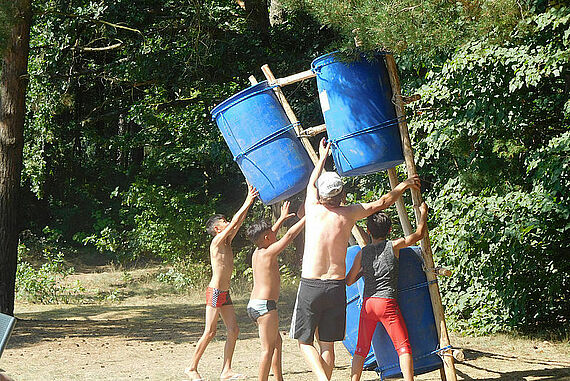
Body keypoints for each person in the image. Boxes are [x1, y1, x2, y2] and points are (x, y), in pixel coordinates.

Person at [289, 138, 421, 381]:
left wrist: (322, 157)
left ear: (321, 194)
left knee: (304, 342)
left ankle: (322, 379)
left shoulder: (313, 207)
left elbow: (311, 183)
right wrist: (404, 184)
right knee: (328, 346)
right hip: (336, 287)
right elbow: (383, 202)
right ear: (342, 194)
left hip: (311, 284)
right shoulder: (349, 213)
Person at [346, 202, 429, 381]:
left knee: (361, 349)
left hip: (368, 304)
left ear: (368, 231)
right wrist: (423, 213)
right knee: (403, 346)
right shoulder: (394, 245)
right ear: (390, 230)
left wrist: (364, 271)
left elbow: (349, 280)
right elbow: (418, 235)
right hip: (387, 304)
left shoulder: (362, 253)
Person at [185, 184, 259, 381]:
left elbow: (239, 221)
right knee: (210, 331)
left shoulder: (226, 241)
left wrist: (247, 206)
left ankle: (226, 370)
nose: (229, 223)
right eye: (224, 222)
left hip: (225, 293)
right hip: (215, 291)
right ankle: (191, 368)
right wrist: (248, 200)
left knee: (234, 330)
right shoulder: (217, 241)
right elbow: (235, 219)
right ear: (217, 228)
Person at [245, 201, 306, 381]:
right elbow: (288, 236)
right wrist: (307, 218)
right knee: (267, 349)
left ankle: (279, 379)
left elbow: (269, 234)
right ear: (266, 238)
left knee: (276, 343)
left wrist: (280, 218)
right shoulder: (269, 253)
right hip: (265, 307)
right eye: (271, 233)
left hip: (255, 305)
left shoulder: (258, 251)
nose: (274, 233)